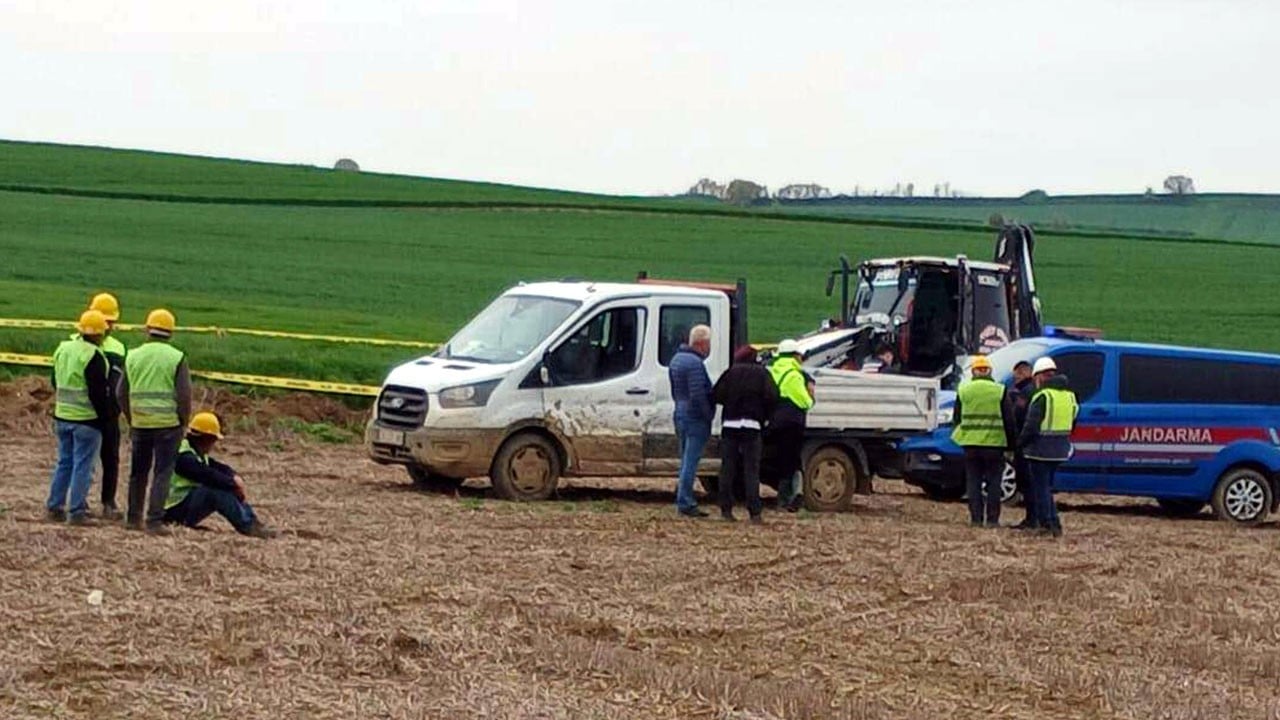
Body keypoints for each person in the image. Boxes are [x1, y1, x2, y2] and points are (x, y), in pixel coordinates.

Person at [120, 308, 192, 534]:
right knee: (162, 472)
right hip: (168, 424)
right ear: (171, 332)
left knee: (138, 472)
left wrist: (131, 417)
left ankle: (133, 518)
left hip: (140, 423)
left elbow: (120, 391)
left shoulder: (132, 355)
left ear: (147, 329)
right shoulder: (176, 357)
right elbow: (184, 395)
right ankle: (153, 521)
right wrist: (183, 420)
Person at [46, 310, 113, 525]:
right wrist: (106, 420)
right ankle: (76, 512)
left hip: (62, 416)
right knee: (83, 466)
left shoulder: (63, 349)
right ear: (100, 334)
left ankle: (55, 506)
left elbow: (55, 381)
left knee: (64, 462)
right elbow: (98, 393)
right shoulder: (94, 355)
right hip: (86, 420)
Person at [163, 412, 275, 538]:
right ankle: (248, 526)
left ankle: (253, 523)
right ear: (206, 438)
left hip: (182, 507)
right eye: (213, 439)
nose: (214, 443)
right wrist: (233, 484)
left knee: (224, 484)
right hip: (173, 512)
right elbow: (208, 475)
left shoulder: (193, 451)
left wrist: (233, 477)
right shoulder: (184, 458)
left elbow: (217, 467)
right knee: (216, 490)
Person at [712, 345, 779, 523]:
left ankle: (726, 510)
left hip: (730, 424)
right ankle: (754, 512)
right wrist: (765, 416)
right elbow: (773, 396)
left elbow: (716, 394)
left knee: (728, 468)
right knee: (751, 470)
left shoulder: (730, 373)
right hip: (752, 425)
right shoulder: (762, 374)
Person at [951, 355, 1016, 527]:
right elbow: (1009, 420)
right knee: (994, 483)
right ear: (989, 372)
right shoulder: (1000, 390)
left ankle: (976, 519)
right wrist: (1012, 445)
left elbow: (956, 419)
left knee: (973, 482)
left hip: (971, 445)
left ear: (973, 372)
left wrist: (961, 437)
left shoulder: (964, 390)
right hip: (995, 445)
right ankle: (993, 520)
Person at [1017, 357, 1079, 538]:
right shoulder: (1070, 396)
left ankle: (1047, 524)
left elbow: (1031, 426)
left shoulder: (1043, 396)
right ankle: (1054, 523)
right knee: (1047, 488)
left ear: (1038, 376)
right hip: (1060, 449)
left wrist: (1020, 444)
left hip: (1040, 450)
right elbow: (1073, 423)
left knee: (1040, 489)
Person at [88, 292, 127, 520]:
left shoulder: (74, 341)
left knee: (100, 458)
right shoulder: (117, 348)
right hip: (102, 412)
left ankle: (99, 502)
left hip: (92, 411)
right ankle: (106, 503)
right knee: (104, 458)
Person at [668, 324, 714, 518]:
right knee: (691, 460)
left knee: (684, 458)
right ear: (702, 344)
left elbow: (675, 390)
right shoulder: (695, 364)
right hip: (694, 417)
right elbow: (698, 394)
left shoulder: (676, 360)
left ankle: (682, 496)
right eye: (709, 343)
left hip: (679, 411)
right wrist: (708, 414)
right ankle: (685, 501)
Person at [765, 339, 814, 512]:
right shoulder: (794, 374)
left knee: (781, 458)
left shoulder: (774, 371)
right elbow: (804, 401)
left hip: (775, 420)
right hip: (792, 422)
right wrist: (810, 399)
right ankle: (787, 499)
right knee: (791, 460)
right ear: (795, 355)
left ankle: (784, 497)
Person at [1009, 360, 1037, 529]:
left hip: (1025, 443)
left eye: (1016, 375)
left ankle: (1032, 519)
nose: (1015, 379)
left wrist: (1017, 442)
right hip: (1034, 443)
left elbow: (1017, 417)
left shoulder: (1025, 393)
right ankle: (1034, 518)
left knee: (1027, 483)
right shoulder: (1034, 390)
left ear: (1023, 373)